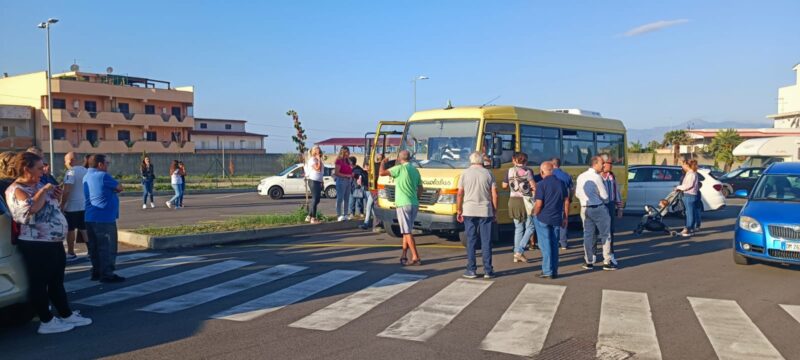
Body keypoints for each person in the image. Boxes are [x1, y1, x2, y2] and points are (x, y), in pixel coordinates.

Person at [5, 152, 92, 334]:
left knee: (56, 281)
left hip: (52, 241)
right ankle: (46, 320)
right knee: (39, 282)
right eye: (39, 168)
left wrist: (55, 194)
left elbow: (52, 207)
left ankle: (65, 314)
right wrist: (44, 191)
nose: (43, 171)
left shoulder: (38, 185)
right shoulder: (16, 189)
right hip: (36, 243)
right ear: (26, 169)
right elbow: (28, 211)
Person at [84, 154, 125, 283]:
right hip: (104, 218)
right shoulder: (102, 176)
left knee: (94, 247)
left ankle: (96, 271)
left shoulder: (87, 175)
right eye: (107, 163)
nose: (108, 165)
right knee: (107, 247)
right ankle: (107, 273)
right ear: (100, 164)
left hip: (90, 217)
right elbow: (119, 187)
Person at [457, 152, 498, 279]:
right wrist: (494, 211)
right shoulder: (488, 173)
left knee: (471, 240)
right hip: (485, 210)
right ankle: (488, 270)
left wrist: (459, 210)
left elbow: (459, 194)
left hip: (469, 210)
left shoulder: (464, 173)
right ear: (482, 161)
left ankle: (471, 269)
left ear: (471, 161)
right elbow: (494, 194)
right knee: (486, 241)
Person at [379, 150, 422, 266]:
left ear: (399, 158)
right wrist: (416, 198)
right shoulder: (415, 170)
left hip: (403, 203)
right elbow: (420, 187)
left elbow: (382, 173)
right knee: (406, 230)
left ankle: (415, 256)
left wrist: (382, 162)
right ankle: (404, 255)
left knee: (407, 231)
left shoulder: (399, 168)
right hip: (414, 203)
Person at [576, 156, 616, 271]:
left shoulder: (581, 176)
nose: (603, 165)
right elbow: (605, 196)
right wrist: (601, 200)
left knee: (588, 235)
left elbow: (577, 194)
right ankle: (607, 261)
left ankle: (589, 261)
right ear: (595, 164)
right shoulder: (597, 177)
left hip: (584, 208)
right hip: (598, 208)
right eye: (602, 163)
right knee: (605, 235)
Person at [533, 161, 569, 279]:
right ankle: (554, 270)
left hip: (543, 217)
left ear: (542, 172)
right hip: (557, 217)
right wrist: (565, 217)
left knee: (545, 245)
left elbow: (539, 204)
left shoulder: (541, 184)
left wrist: (534, 214)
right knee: (554, 245)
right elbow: (566, 201)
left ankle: (547, 271)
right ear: (552, 170)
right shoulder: (561, 183)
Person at [502, 152, 536, 264]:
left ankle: (516, 253)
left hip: (513, 201)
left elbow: (504, 185)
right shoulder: (528, 171)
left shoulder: (509, 171)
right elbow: (533, 186)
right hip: (525, 201)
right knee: (530, 226)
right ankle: (519, 251)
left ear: (514, 160)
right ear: (526, 161)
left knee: (518, 228)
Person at [61, 152, 88, 261]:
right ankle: (91, 251)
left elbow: (67, 190)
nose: (64, 163)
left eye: (65, 160)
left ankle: (71, 252)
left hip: (72, 205)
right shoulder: (85, 171)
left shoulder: (70, 172)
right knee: (84, 228)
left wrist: (62, 204)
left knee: (70, 229)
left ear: (70, 161)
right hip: (84, 204)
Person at [600, 155, 623, 265]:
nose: (611, 165)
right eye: (610, 163)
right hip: (599, 205)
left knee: (610, 231)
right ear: (603, 163)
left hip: (610, 205)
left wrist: (619, 208)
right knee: (595, 232)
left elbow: (617, 193)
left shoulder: (612, 177)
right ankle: (593, 255)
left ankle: (610, 253)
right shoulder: (597, 177)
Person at [551, 157, 573, 250]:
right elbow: (571, 189)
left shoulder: (549, 174)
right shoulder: (566, 175)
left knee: (553, 222)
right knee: (563, 219)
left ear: (552, 164)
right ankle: (563, 243)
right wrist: (570, 199)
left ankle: (554, 242)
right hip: (563, 200)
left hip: (551, 201)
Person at [675, 159, 700, 237]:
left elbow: (688, 185)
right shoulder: (690, 173)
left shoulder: (691, 174)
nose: (682, 166)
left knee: (689, 213)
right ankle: (690, 229)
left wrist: (678, 187)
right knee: (690, 212)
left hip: (690, 195)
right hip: (689, 195)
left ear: (687, 165)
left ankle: (688, 229)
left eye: (683, 164)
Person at [360, 153, 384, 231]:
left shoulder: (375, 166)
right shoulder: (380, 166)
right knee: (370, 206)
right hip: (375, 189)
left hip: (375, 189)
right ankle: (367, 223)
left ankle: (372, 223)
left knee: (372, 206)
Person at [304, 146, 324, 224]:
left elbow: (321, 172)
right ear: (313, 151)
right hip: (313, 180)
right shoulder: (312, 159)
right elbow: (318, 169)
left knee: (317, 199)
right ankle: (313, 218)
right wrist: (319, 159)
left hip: (318, 181)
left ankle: (309, 216)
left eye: (319, 148)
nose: (318, 149)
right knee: (315, 199)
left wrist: (322, 181)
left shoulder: (317, 159)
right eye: (317, 148)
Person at [334, 147, 353, 221]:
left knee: (347, 198)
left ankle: (345, 214)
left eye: (349, 152)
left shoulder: (348, 161)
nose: (348, 153)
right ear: (343, 152)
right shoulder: (339, 161)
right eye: (347, 152)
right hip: (341, 180)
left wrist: (351, 174)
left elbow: (350, 170)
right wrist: (346, 175)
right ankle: (339, 215)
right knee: (340, 198)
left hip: (348, 181)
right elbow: (336, 173)